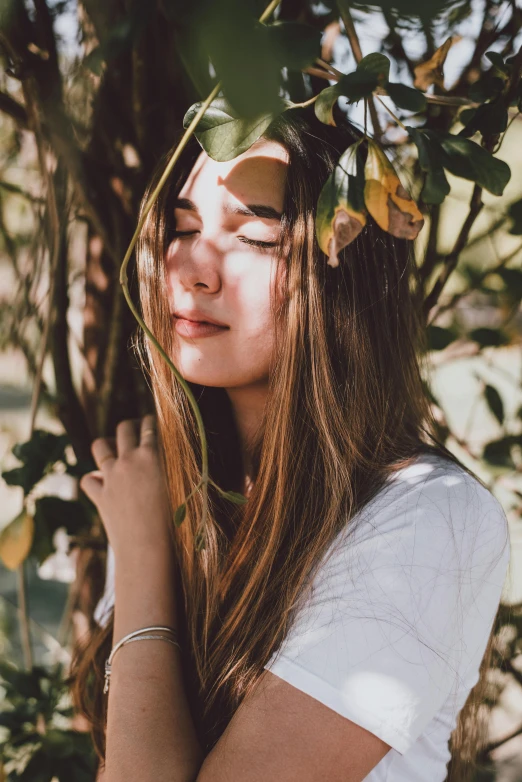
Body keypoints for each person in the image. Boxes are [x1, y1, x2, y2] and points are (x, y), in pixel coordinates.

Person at [72, 107, 511, 782]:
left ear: (344, 270)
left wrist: (140, 554)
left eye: (254, 238)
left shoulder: (428, 519)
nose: (194, 267)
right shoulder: (170, 488)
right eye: (182, 227)